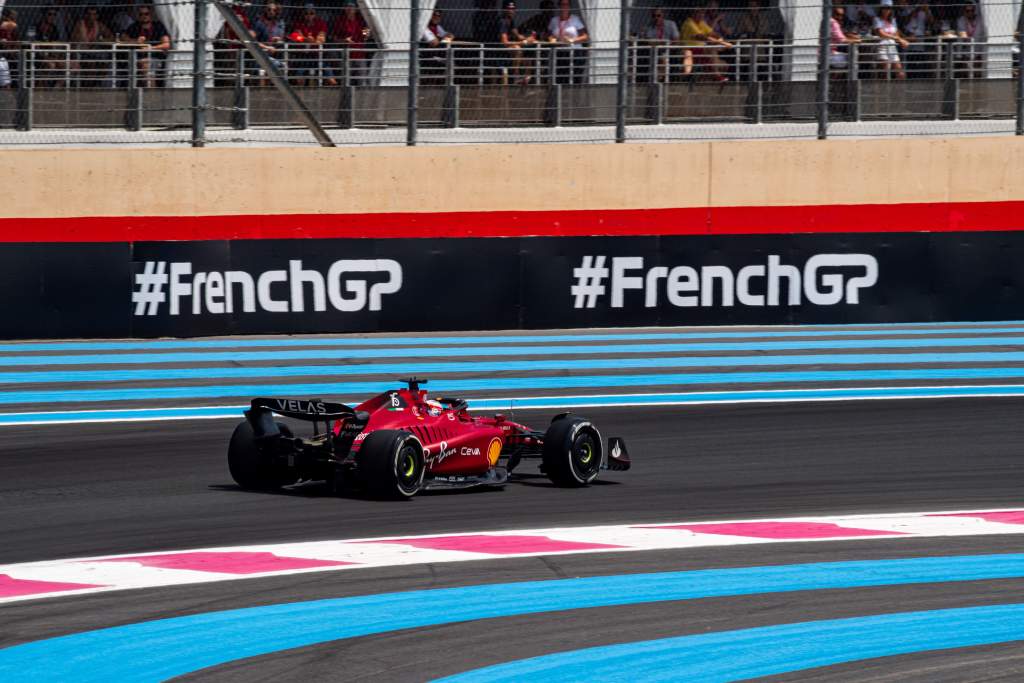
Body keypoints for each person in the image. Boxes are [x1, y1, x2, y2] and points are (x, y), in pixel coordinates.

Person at [122, 5, 170, 87]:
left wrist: (150, 48)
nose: (144, 16)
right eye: (141, 14)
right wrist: (136, 41)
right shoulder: (135, 26)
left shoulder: (158, 26)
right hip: (137, 58)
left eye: (146, 14)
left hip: (155, 57)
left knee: (146, 66)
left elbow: (166, 44)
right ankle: (147, 92)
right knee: (142, 67)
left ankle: (151, 93)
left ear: (150, 14)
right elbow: (123, 38)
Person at [681, 6, 732, 82]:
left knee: (725, 66)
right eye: (698, 13)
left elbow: (711, 33)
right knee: (710, 50)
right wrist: (722, 43)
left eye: (702, 13)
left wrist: (720, 38)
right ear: (693, 14)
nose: (701, 15)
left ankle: (714, 80)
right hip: (690, 48)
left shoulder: (701, 22)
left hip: (700, 50)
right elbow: (701, 37)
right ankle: (718, 77)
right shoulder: (689, 23)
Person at [291, 3, 333, 85]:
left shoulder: (320, 23)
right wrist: (307, 39)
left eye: (311, 13)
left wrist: (306, 40)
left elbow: (322, 39)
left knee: (331, 79)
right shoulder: (299, 23)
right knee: (299, 78)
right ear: (303, 14)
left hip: (317, 55)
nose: (309, 15)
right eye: (306, 13)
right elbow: (295, 37)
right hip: (303, 56)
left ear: (315, 14)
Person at [71, 6, 114, 87]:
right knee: (91, 63)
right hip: (82, 53)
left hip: (94, 52)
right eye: (89, 14)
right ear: (85, 15)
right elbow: (74, 41)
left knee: (104, 61)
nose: (91, 17)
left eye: (94, 14)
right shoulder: (80, 24)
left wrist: (100, 40)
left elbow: (111, 36)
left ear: (97, 16)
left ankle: (96, 84)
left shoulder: (99, 25)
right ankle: (88, 86)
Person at [331, 0, 371, 86]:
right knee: (346, 81)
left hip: (360, 55)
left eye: (351, 7)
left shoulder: (361, 20)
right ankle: (346, 98)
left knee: (362, 81)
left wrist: (366, 34)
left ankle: (363, 98)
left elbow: (366, 36)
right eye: (347, 6)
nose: (349, 9)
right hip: (346, 55)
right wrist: (344, 40)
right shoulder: (340, 21)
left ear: (356, 9)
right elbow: (334, 39)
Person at [547, 0, 587, 84]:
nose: (564, 7)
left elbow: (585, 36)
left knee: (575, 78)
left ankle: (575, 95)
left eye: (567, 5)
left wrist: (572, 40)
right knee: (561, 78)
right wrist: (551, 39)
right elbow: (550, 35)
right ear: (559, 6)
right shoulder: (554, 20)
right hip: (560, 52)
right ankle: (560, 95)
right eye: (562, 4)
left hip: (575, 52)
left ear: (569, 7)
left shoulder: (575, 19)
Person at [498, 1, 535, 84]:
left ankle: (527, 80)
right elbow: (504, 42)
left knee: (529, 58)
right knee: (517, 49)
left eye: (513, 8)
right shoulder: (502, 21)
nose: (511, 11)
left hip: (508, 48)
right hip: (498, 49)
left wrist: (528, 38)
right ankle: (516, 77)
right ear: (504, 10)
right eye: (509, 9)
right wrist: (524, 42)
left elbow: (518, 36)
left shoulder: (511, 20)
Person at [642, 8, 680, 83]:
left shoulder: (671, 24)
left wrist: (662, 44)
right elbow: (648, 41)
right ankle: (659, 79)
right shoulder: (649, 27)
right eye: (654, 16)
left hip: (669, 48)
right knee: (658, 55)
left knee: (662, 56)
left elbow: (676, 39)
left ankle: (660, 79)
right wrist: (661, 43)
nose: (656, 18)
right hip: (655, 50)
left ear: (663, 15)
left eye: (658, 15)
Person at [32, 8, 66, 88]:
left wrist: (54, 52)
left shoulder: (54, 28)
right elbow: (31, 41)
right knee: (50, 65)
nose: (52, 16)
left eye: (54, 15)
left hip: (50, 54)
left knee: (64, 66)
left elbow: (56, 44)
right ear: (44, 15)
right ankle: (41, 88)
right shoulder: (34, 27)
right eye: (50, 14)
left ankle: (54, 90)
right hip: (37, 55)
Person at [873, 2, 908, 80]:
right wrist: (898, 39)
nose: (886, 10)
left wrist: (901, 39)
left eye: (889, 8)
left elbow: (896, 34)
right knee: (885, 72)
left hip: (892, 46)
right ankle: (882, 90)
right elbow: (881, 33)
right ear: (881, 9)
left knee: (900, 73)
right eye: (884, 8)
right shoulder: (877, 19)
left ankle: (899, 90)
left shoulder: (893, 20)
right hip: (882, 45)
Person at [955, 2, 984, 78]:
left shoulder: (980, 20)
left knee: (977, 74)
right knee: (966, 73)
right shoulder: (961, 20)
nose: (970, 13)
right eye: (968, 11)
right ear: (964, 12)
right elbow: (962, 34)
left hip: (979, 51)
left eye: (972, 10)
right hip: (967, 51)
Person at [829, 6, 861, 72]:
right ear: (833, 13)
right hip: (829, 54)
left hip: (828, 52)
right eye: (837, 14)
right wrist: (857, 40)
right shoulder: (833, 22)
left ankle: (839, 77)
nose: (840, 17)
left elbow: (840, 35)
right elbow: (842, 40)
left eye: (842, 15)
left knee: (849, 56)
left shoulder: (828, 21)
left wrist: (850, 36)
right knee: (851, 57)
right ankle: (852, 77)